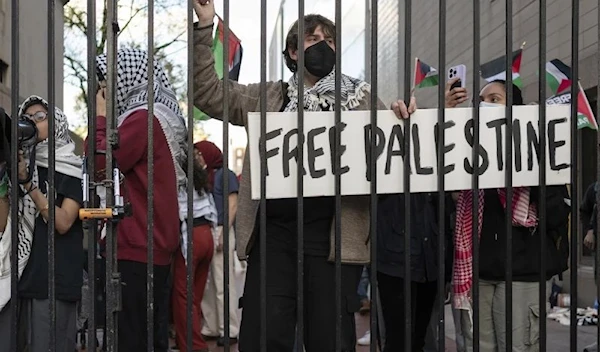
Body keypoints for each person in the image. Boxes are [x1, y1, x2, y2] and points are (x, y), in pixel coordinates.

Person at [193, 1, 416, 350]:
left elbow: (390, 153)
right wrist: (206, 26)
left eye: (330, 40)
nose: (323, 46)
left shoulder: (361, 101)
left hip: (332, 242)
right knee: (265, 337)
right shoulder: (267, 97)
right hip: (274, 240)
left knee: (329, 340)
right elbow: (208, 93)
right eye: (313, 39)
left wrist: (399, 119)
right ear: (294, 52)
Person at [447, 79, 571, 352]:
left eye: (494, 99)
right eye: (480, 100)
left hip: (522, 273)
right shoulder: (466, 154)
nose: (484, 104)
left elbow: (556, 215)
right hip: (477, 274)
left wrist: (535, 166)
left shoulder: (538, 150)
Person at [90, 48, 188, 351]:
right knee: (149, 335)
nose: (102, 89)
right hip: (153, 245)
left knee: (131, 338)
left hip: (137, 246)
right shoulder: (160, 115)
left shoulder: (143, 118)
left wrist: (100, 115)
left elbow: (101, 163)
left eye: (105, 80)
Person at [0, 96, 84, 352]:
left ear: (56, 123)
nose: (32, 123)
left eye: (40, 117)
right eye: (26, 118)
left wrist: (29, 184)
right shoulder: (18, 163)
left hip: (54, 280)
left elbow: (63, 222)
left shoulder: (71, 169)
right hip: (20, 278)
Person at [376, 190, 454, 351]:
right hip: (395, 261)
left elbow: (445, 214)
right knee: (398, 340)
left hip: (430, 259)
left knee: (418, 339)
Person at [196, 140, 243, 347]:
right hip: (208, 228)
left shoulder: (225, 174)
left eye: (199, 154)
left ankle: (229, 329)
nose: (197, 158)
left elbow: (233, 203)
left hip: (222, 228)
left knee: (223, 281)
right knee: (208, 283)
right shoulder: (204, 176)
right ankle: (212, 326)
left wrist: (224, 230)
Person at [171, 145, 217, 352]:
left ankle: (191, 345)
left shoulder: (178, 180)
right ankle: (194, 340)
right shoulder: (200, 180)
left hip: (190, 237)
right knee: (196, 295)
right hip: (207, 234)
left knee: (183, 296)